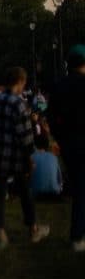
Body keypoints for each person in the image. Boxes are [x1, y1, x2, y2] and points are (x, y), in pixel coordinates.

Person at [0, 66, 49, 248]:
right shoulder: (19, 104)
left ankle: (1, 233)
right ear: (20, 82)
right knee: (25, 192)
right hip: (15, 157)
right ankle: (33, 228)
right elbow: (25, 136)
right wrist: (30, 157)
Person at [50, 44, 85, 252]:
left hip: (69, 143)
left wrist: (61, 138)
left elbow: (52, 117)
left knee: (79, 186)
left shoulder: (59, 85)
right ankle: (77, 235)